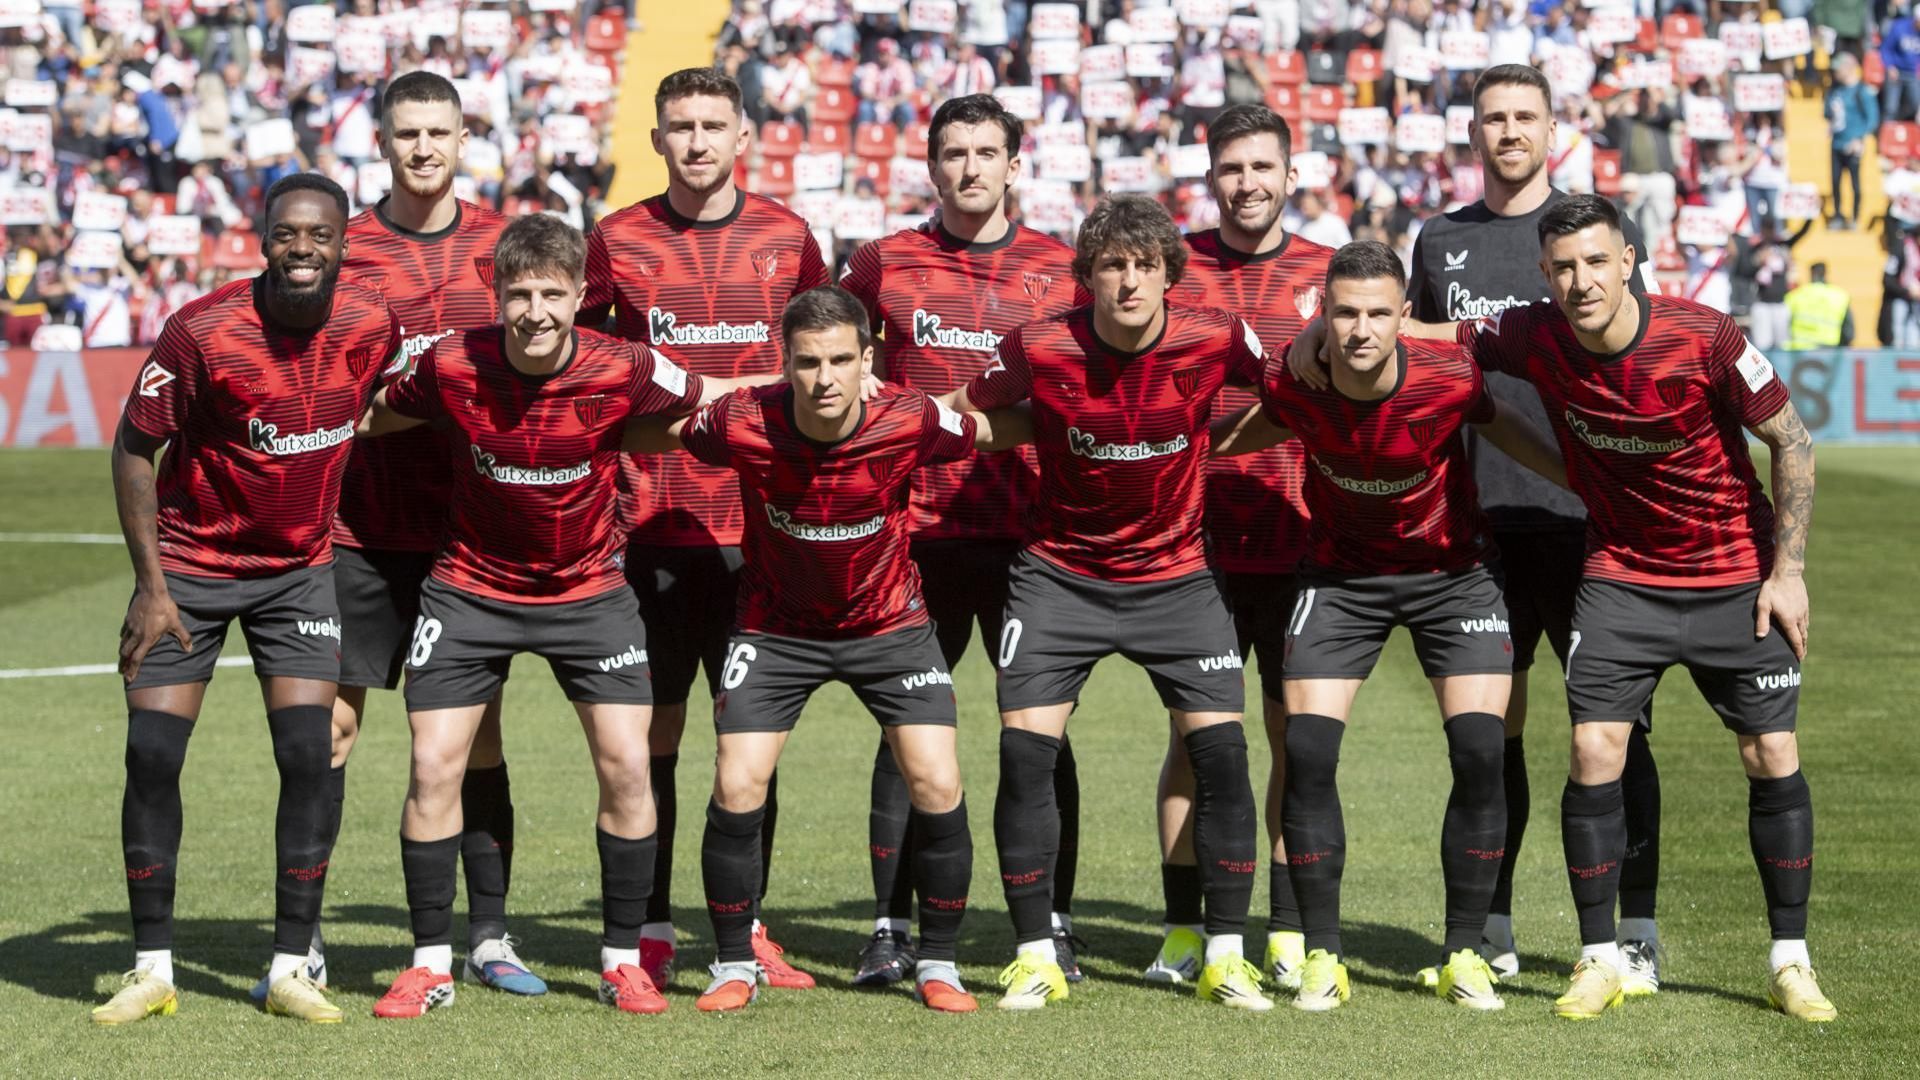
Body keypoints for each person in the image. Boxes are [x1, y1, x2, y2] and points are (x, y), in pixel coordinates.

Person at [1426, 194, 1830, 1023]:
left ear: (1630, 261)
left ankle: (1791, 962)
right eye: (1564, 267)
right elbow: (1444, 337)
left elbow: (1791, 437)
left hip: (1731, 574)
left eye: (1597, 262)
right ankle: (1599, 957)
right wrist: (1344, 329)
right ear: (1545, 275)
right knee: (1593, 746)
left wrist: (1786, 570)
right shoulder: (1533, 332)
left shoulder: (1706, 335)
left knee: (1771, 752)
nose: (1582, 281)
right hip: (1620, 577)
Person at [358, 214, 768, 1019]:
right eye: (520, 293)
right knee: (434, 765)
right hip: (470, 590)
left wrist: (809, 399)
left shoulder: (622, 364)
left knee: (626, 765)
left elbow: (707, 399)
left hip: (589, 595)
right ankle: (430, 963)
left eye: (553, 293)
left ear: (583, 296)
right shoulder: (450, 363)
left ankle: (621, 960)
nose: (536, 310)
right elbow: (379, 413)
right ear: (496, 294)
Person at [629, 286, 1020, 1014]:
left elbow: (987, 430)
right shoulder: (743, 420)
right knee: (737, 782)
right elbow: (666, 427)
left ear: (868, 359)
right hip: (777, 631)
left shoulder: (909, 416)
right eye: (808, 363)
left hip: (890, 627)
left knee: (937, 782)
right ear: (785, 364)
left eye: (842, 359)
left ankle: (938, 962)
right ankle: (733, 963)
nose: (825, 378)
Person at [1213, 239, 1566, 1012]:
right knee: (1305, 753)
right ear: (1322, 317)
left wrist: (1576, 480)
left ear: (1406, 317)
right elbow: (1260, 424)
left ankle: (1465, 952)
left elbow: (1500, 422)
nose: (1362, 329)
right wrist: (1178, 459)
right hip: (1339, 578)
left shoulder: (1448, 375)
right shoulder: (1295, 377)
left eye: (1378, 313)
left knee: (1480, 750)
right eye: (1345, 313)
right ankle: (1323, 958)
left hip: (1455, 576)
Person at [940, 195, 1271, 1012]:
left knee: (1224, 759)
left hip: (1178, 577)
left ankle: (1226, 954)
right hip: (1060, 578)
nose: (1128, 281)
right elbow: (968, 410)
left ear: (1168, 273)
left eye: (1143, 265)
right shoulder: (1039, 342)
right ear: (1087, 276)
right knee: (1024, 757)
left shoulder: (1216, 334)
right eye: (1112, 266)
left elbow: (1295, 388)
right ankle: (1034, 955)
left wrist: (1215, 439)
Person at [97, 173, 396, 1025]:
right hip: (190, 569)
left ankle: (291, 967)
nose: (302, 248)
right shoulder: (202, 329)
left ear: (345, 243)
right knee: (152, 755)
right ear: (264, 239)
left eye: (320, 235)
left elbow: (397, 404)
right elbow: (131, 452)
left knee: (310, 757)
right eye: (286, 234)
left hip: (300, 572)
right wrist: (153, 588)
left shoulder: (374, 322)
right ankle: (151, 968)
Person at [1401, 64, 1665, 993]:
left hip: (1596, 526)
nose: (1508, 131)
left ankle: (1637, 928)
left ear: (1554, 128)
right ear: (1472, 134)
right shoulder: (1439, 240)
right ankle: (1493, 923)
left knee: (1618, 732)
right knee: (1491, 737)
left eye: (1525, 117)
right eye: (1492, 118)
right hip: (1482, 534)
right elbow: (1424, 366)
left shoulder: (1590, 234)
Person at [296, 69, 540, 1007]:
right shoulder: (344, 248)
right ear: (384, 143)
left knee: (474, 738)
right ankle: (305, 932)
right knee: (331, 731)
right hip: (357, 528)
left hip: (471, 537)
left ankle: (487, 935)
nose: (424, 148)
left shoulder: (504, 248)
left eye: (439, 132)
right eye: (408, 135)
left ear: (465, 138)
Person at [583, 66, 829, 990]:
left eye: (712, 125)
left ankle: (749, 924)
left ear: (744, 137)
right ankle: (647, 927)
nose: (695, 141)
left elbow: (825, 357)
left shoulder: (790, 238)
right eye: (679, 125)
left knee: (747, 744)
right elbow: (586, 358)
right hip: (645, 529)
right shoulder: (617, 239)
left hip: (760, 534)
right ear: (656, 139)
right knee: (652, 740)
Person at [838, 94, 1088, 986]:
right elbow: (832, 357)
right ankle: (887, 927)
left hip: (1034, 538)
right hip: (909, 536)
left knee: (1040, 737)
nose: (971, 167)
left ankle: (1051, 920)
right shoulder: (882, 263)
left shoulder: (1063, 269)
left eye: (988, 152)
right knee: (907, 733)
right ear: (931, 164)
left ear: (1016, 164)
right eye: (955, 152)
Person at [1147, 102, 1334, 992]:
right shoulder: (1169, 269)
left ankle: (1289, 932)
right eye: (1231, 169)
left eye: (1264, 168)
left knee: (1298, 740)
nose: (1248, 184)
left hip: (1307, 539)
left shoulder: (1331, 274)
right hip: (1193, 545)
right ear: (1209, 177)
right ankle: (1186, 929)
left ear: (1292, 176)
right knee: (1195, 741)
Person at [1824, 54, 1876, 231]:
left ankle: (1855, 216)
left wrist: (1858, 138)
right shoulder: (1834, 90)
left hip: (1854, 144)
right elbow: (1827, 112)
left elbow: (1872, 119)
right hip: (1836, 142)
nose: (1835, 72)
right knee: (1835, 181)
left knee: (1855, 183)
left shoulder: (1862, 91)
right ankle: (1837, 215)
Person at [1785, 262, 1853, 348]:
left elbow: (1783, 325)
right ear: (1825, 274)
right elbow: (1848, 332)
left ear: (1811, 274)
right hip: (1829, 349)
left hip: (1799, 350)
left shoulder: (1795, 295)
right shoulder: (1840, 296)